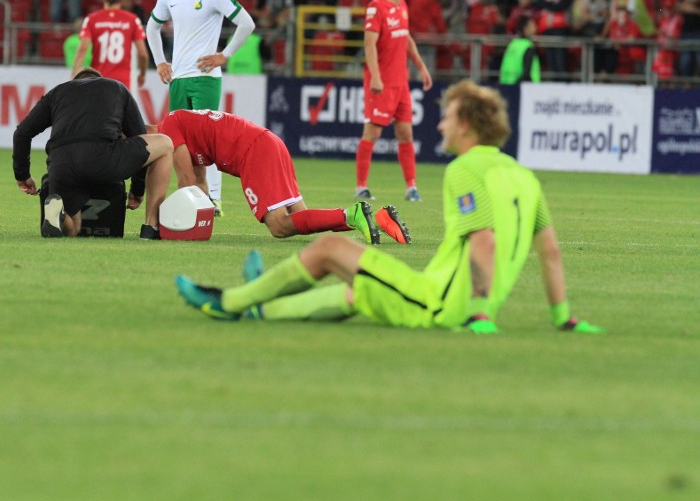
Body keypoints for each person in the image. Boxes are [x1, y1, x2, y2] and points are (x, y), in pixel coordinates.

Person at [176, 80, 604, 336]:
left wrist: (480, 316)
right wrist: (564, 319)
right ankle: (261, 301)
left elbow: (485, 242)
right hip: (436, 294)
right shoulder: (524, 176)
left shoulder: (464, 170)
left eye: (448, 118)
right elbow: (550, 252)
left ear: (467, 126)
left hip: (439, 305)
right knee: (353, 291)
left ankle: (228, 301)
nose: (440, 125)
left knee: (329, 250)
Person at [159, 109, 412, 244]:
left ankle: (351, 214)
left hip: (252, 151)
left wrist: (160, 224)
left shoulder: (167, 128)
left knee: (279, 226)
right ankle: (377, 219)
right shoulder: (180, 123)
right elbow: (199, 185)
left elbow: (186, 184)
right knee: (300, 218)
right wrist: (202, 226)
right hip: (269, 142)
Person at [146, 0, 257, 217]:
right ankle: (194, 196)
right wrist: (160, 61)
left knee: (207, 142)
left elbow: (247, 22)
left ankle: (215, 199)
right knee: (179, 144)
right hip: (179, 79)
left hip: (206, 77)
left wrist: (225, 55)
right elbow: (151, 27)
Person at [13, 67, 174, 239]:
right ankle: (151, 227)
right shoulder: (116, 87)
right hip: (103, 157)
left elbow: (22, 133)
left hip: (61, 165)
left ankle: (58, 215)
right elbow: (138, 136)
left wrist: (22, 175)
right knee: (165, 144)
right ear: (99, 79)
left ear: (74, 82)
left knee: (74, 227)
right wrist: (137, 189)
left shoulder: (57, 92)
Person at [356, 0, 433, 203]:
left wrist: (421, 66)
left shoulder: (402, 7)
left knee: (405, 132)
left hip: (401, 83)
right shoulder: (376, 7)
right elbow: (369, 44)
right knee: (373, 132)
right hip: (382, 83)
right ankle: (361, 187)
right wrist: (376, 76)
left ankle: (411, 187)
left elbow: (406, 37)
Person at [72, 0, 148, 91]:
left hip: (98, 80)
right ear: (121, 0)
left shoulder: (92, 19)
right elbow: (143, 54)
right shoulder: (132, 20)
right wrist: (142, 74)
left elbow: (82, 50)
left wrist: (74, 77)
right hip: (122, 83)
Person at [534, 0, 576, 77]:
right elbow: (538, 3)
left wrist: (547, 4)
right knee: (551, 61)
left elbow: (561, 6)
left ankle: (563, 86)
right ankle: (554, 86)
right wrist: (551, 4)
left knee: (560, 60)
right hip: (547, 28)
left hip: (560, 29)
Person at [675, 0, 700, 76]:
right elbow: (678, 6)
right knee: (685, 61)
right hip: (687, 30)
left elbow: (685, 6)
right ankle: (687, 87)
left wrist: (691, 9)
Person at [500, 16, 542, 83]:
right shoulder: (527, 46)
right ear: (526, 28)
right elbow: (527, 71)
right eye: (532, 25)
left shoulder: (512, 44)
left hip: (506, 83)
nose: (535, 28)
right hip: (525, 87)